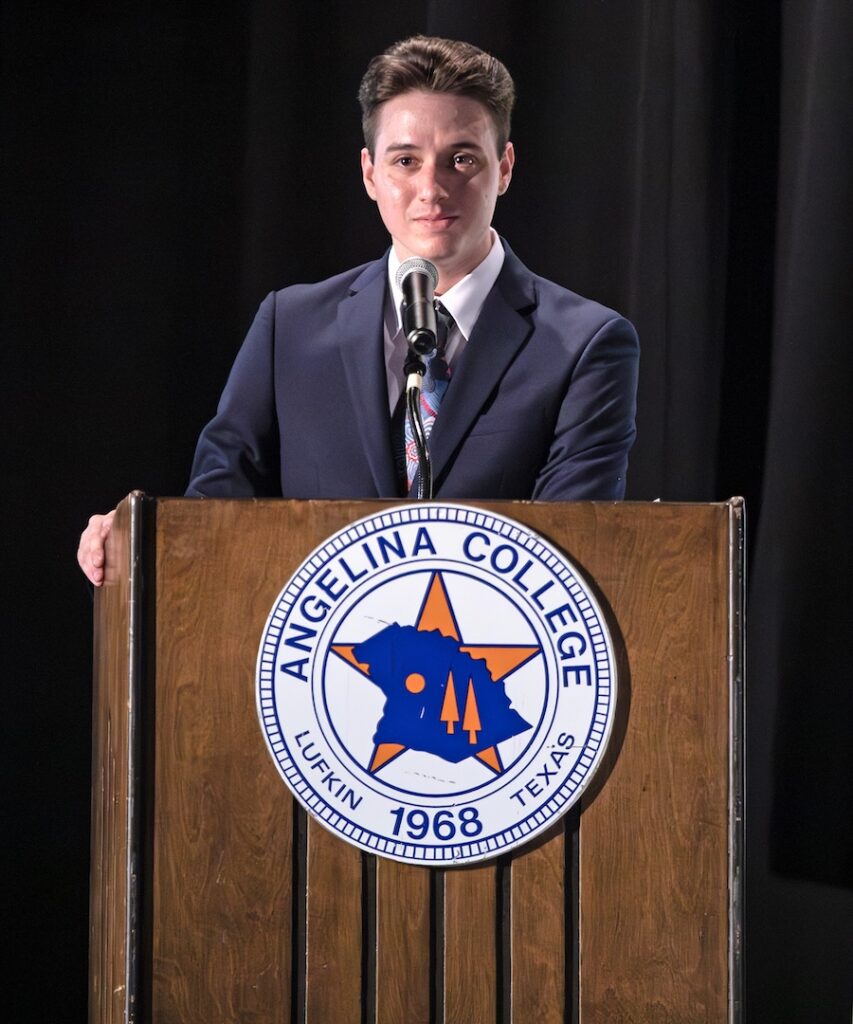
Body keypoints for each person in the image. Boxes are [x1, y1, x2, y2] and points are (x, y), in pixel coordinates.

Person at [78, 35, 639, 585]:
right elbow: (211, 517)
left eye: (461, 159)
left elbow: (572, 555)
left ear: (506, 166)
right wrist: (133, 538)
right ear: (371, 173)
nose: (431, 189)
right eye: (405, 161)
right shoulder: (289, 327)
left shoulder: (585, 344)